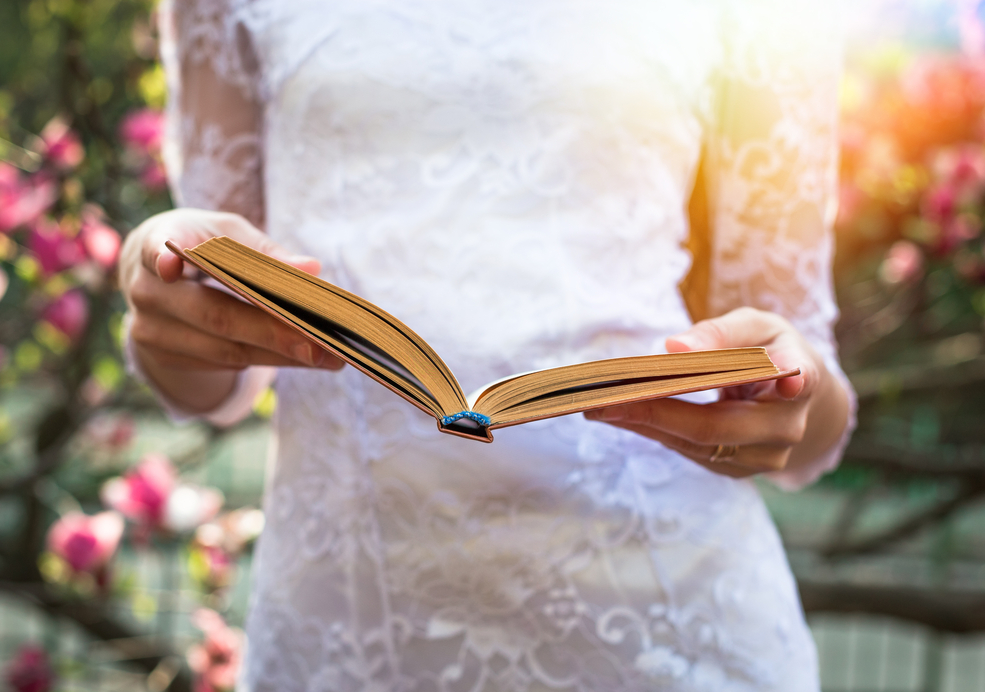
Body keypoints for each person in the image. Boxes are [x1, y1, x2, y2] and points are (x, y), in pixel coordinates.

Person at [119, 1, 854, 689]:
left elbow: (811, 415)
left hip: (670, 623)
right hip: (344, 623)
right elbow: (212, 368)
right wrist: (159, 295)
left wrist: (784, 398)